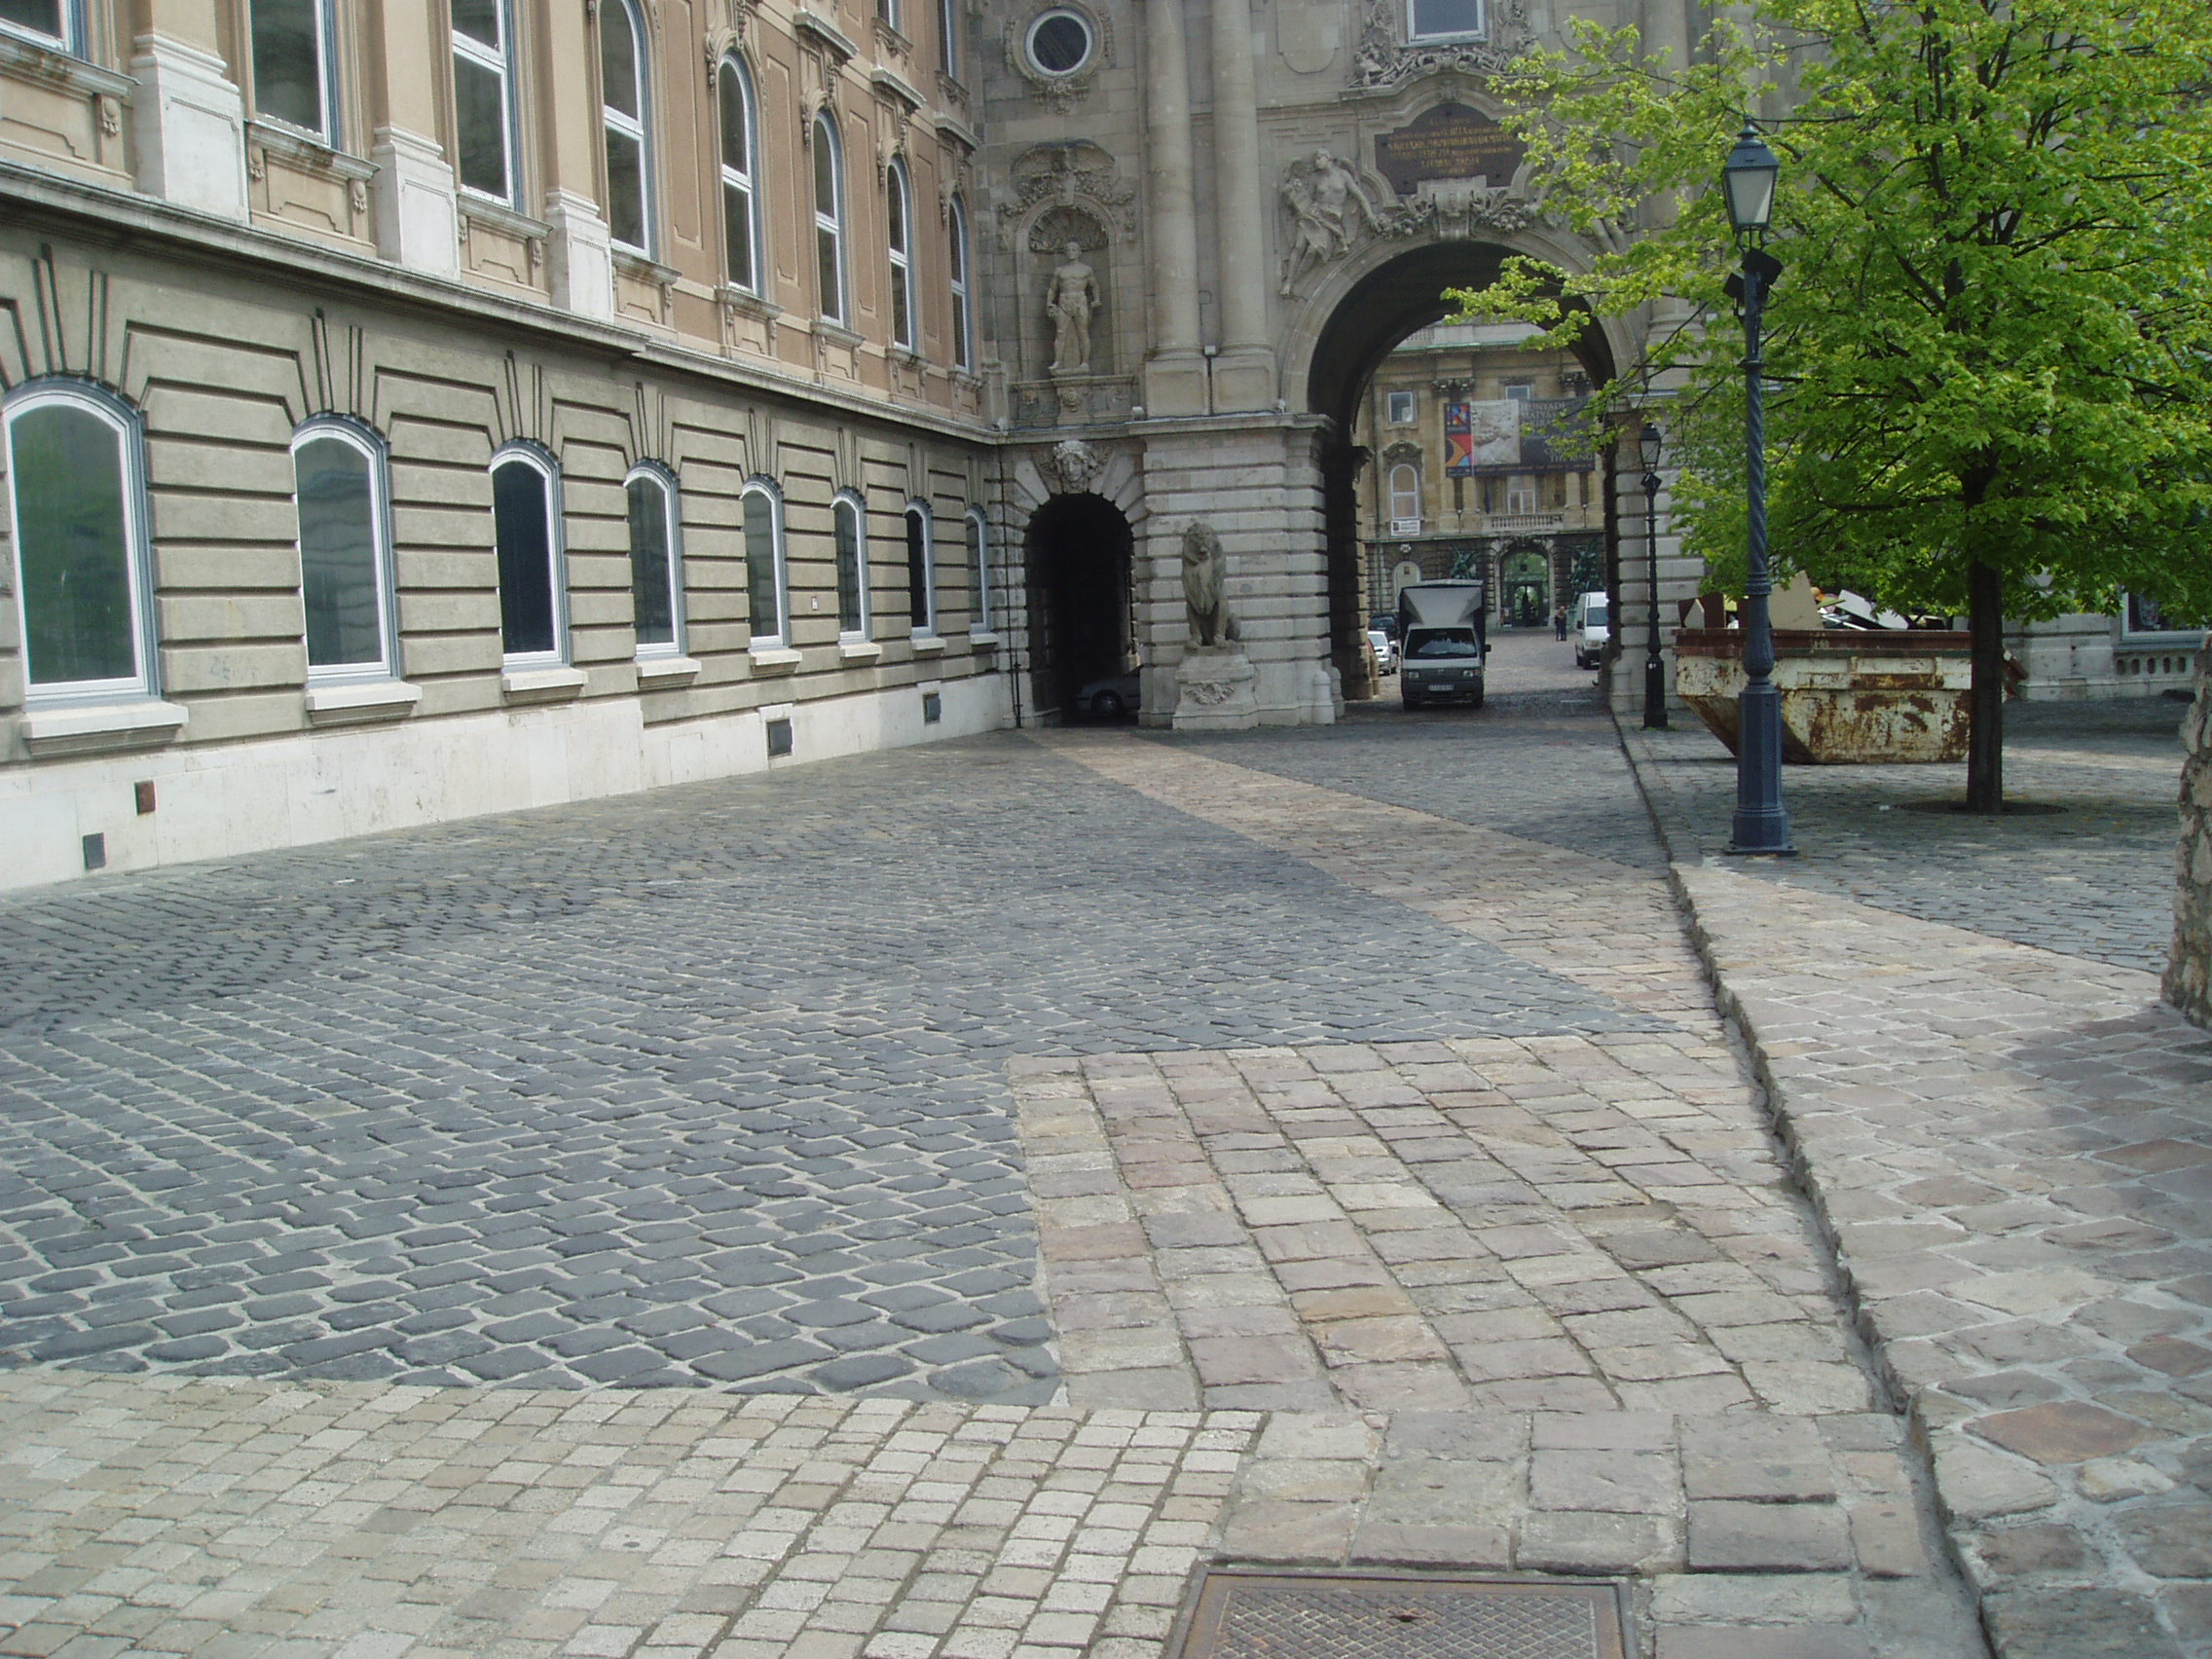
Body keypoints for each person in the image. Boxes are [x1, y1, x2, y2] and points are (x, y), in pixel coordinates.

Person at [1046, 242, 1099, 373]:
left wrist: (1096, 299)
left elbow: (1094, 285)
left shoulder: (1086, 269)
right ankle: (1058, 361)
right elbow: (1053, 288)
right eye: (1068, 250)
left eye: (1074, 250)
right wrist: (1049, 302)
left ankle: (1085, 362)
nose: (1071, 252)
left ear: (1079, 252)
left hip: (1080, 300)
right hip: (1064, 300)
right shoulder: (1060, 270)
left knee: (1083, 332)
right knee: (1060, 333)